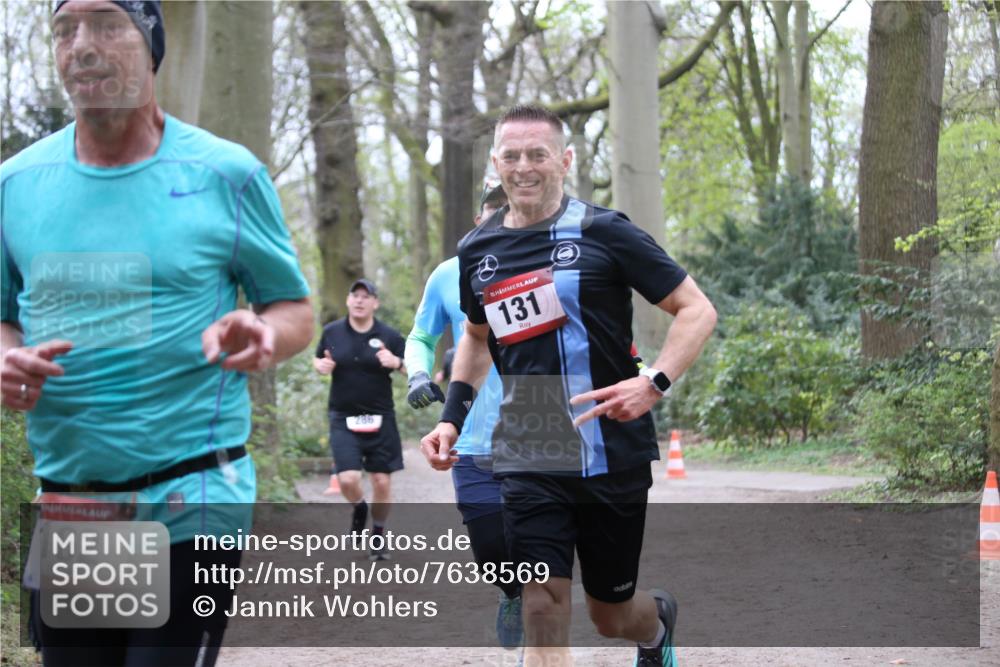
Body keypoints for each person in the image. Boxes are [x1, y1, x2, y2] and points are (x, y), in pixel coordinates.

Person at [0, 1, 313, 665]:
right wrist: (7, 357)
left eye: (106, 24)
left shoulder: (225, 174)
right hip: (74, 504)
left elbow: (294, 309)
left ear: (151, 46)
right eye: (64, 30)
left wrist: (262, 332)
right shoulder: (15, 184)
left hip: (191, 495)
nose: (82, 45)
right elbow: (3, 317)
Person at [421, 105, 717, 667]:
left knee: (611, 614)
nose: (524, 167)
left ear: (565, 160)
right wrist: (450, 419)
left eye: (538, 154)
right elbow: (477, 339)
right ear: (495, 163)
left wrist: (652, 383)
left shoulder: (604, 231)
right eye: (511, 156)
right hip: (530, 439)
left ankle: (655, 625)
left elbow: (696, 310)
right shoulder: (477, 250)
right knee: (541, 602)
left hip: (610, 438)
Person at [405, 182, 524, 649]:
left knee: (542, 550)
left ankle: (538, 634)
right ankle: (511, 593)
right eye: (492, 216)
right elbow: (421, 336)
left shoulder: (546, 266)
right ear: (478, 221)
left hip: (538, 434)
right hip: (473, 437)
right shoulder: (448, 275)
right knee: (491, 552)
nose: (501, 225)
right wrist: (418, 374)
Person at [313, 279, 406, 561]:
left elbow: (414, 367)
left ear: (375, 303)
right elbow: (318, 360)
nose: (360, 300)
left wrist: (397, 363)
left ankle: (378, 533)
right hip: (343, 417)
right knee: (348, 479)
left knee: (381, 481)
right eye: (355, 295)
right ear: (348, 300)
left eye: (366, 296)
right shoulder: (332, 332)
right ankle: (359, 507)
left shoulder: (389, 335)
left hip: (380, 416)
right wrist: (321, 366)